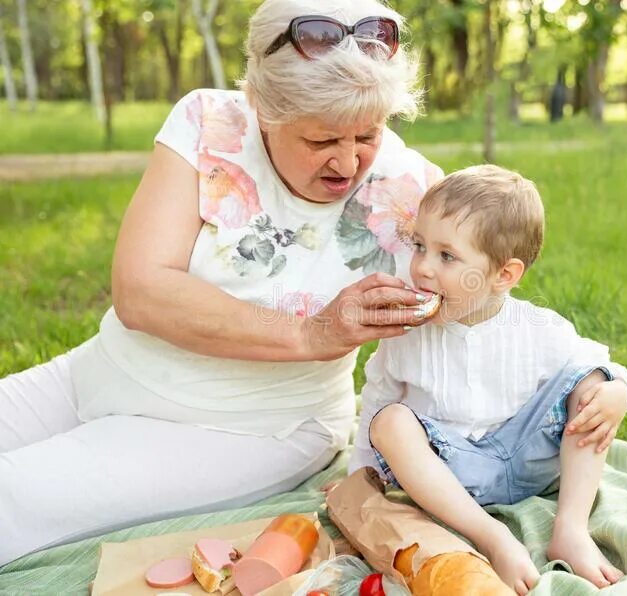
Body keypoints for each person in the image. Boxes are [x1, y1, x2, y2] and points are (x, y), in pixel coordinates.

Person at [0, 0, 443, 567]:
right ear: (262, 106)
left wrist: (588, 382)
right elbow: (140, 291)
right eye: (321, 140)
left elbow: (484, 303)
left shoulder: (414, 191)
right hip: (100, 372)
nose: (347, 162)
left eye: (368, 135)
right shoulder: (210, 122)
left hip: (254, 430)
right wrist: (309, 332)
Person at [348, 165, 627, 594]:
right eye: (420, 246)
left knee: (592, 380)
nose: (424, 268)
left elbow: (605, 367)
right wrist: (361, 477)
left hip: (532, 457)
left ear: (504, 275)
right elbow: (376, 400)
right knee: (389, 420)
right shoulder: (407, 334)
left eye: (447, 256)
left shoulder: (539, 328)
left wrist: (619, 392)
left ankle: (571, 527)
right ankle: (492, 536)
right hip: (454, 474)